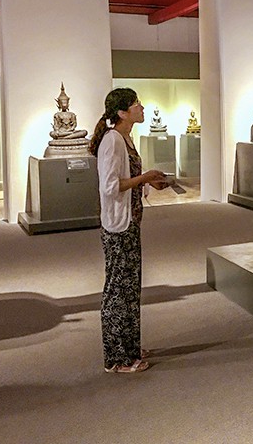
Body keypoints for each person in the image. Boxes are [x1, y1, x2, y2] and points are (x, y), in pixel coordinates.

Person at [88, 88, 167, 373]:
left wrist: (148, 182)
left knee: (130, 288)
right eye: (136, 105)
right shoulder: (112, 141)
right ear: (122, 112)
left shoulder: (124, 138)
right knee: (117, 290)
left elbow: (126, 180)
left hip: (130, 222)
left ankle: (129, 345)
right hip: (118, 226)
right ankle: (116, 357)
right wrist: (143, 178)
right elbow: (110, 186)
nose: (142, 107)